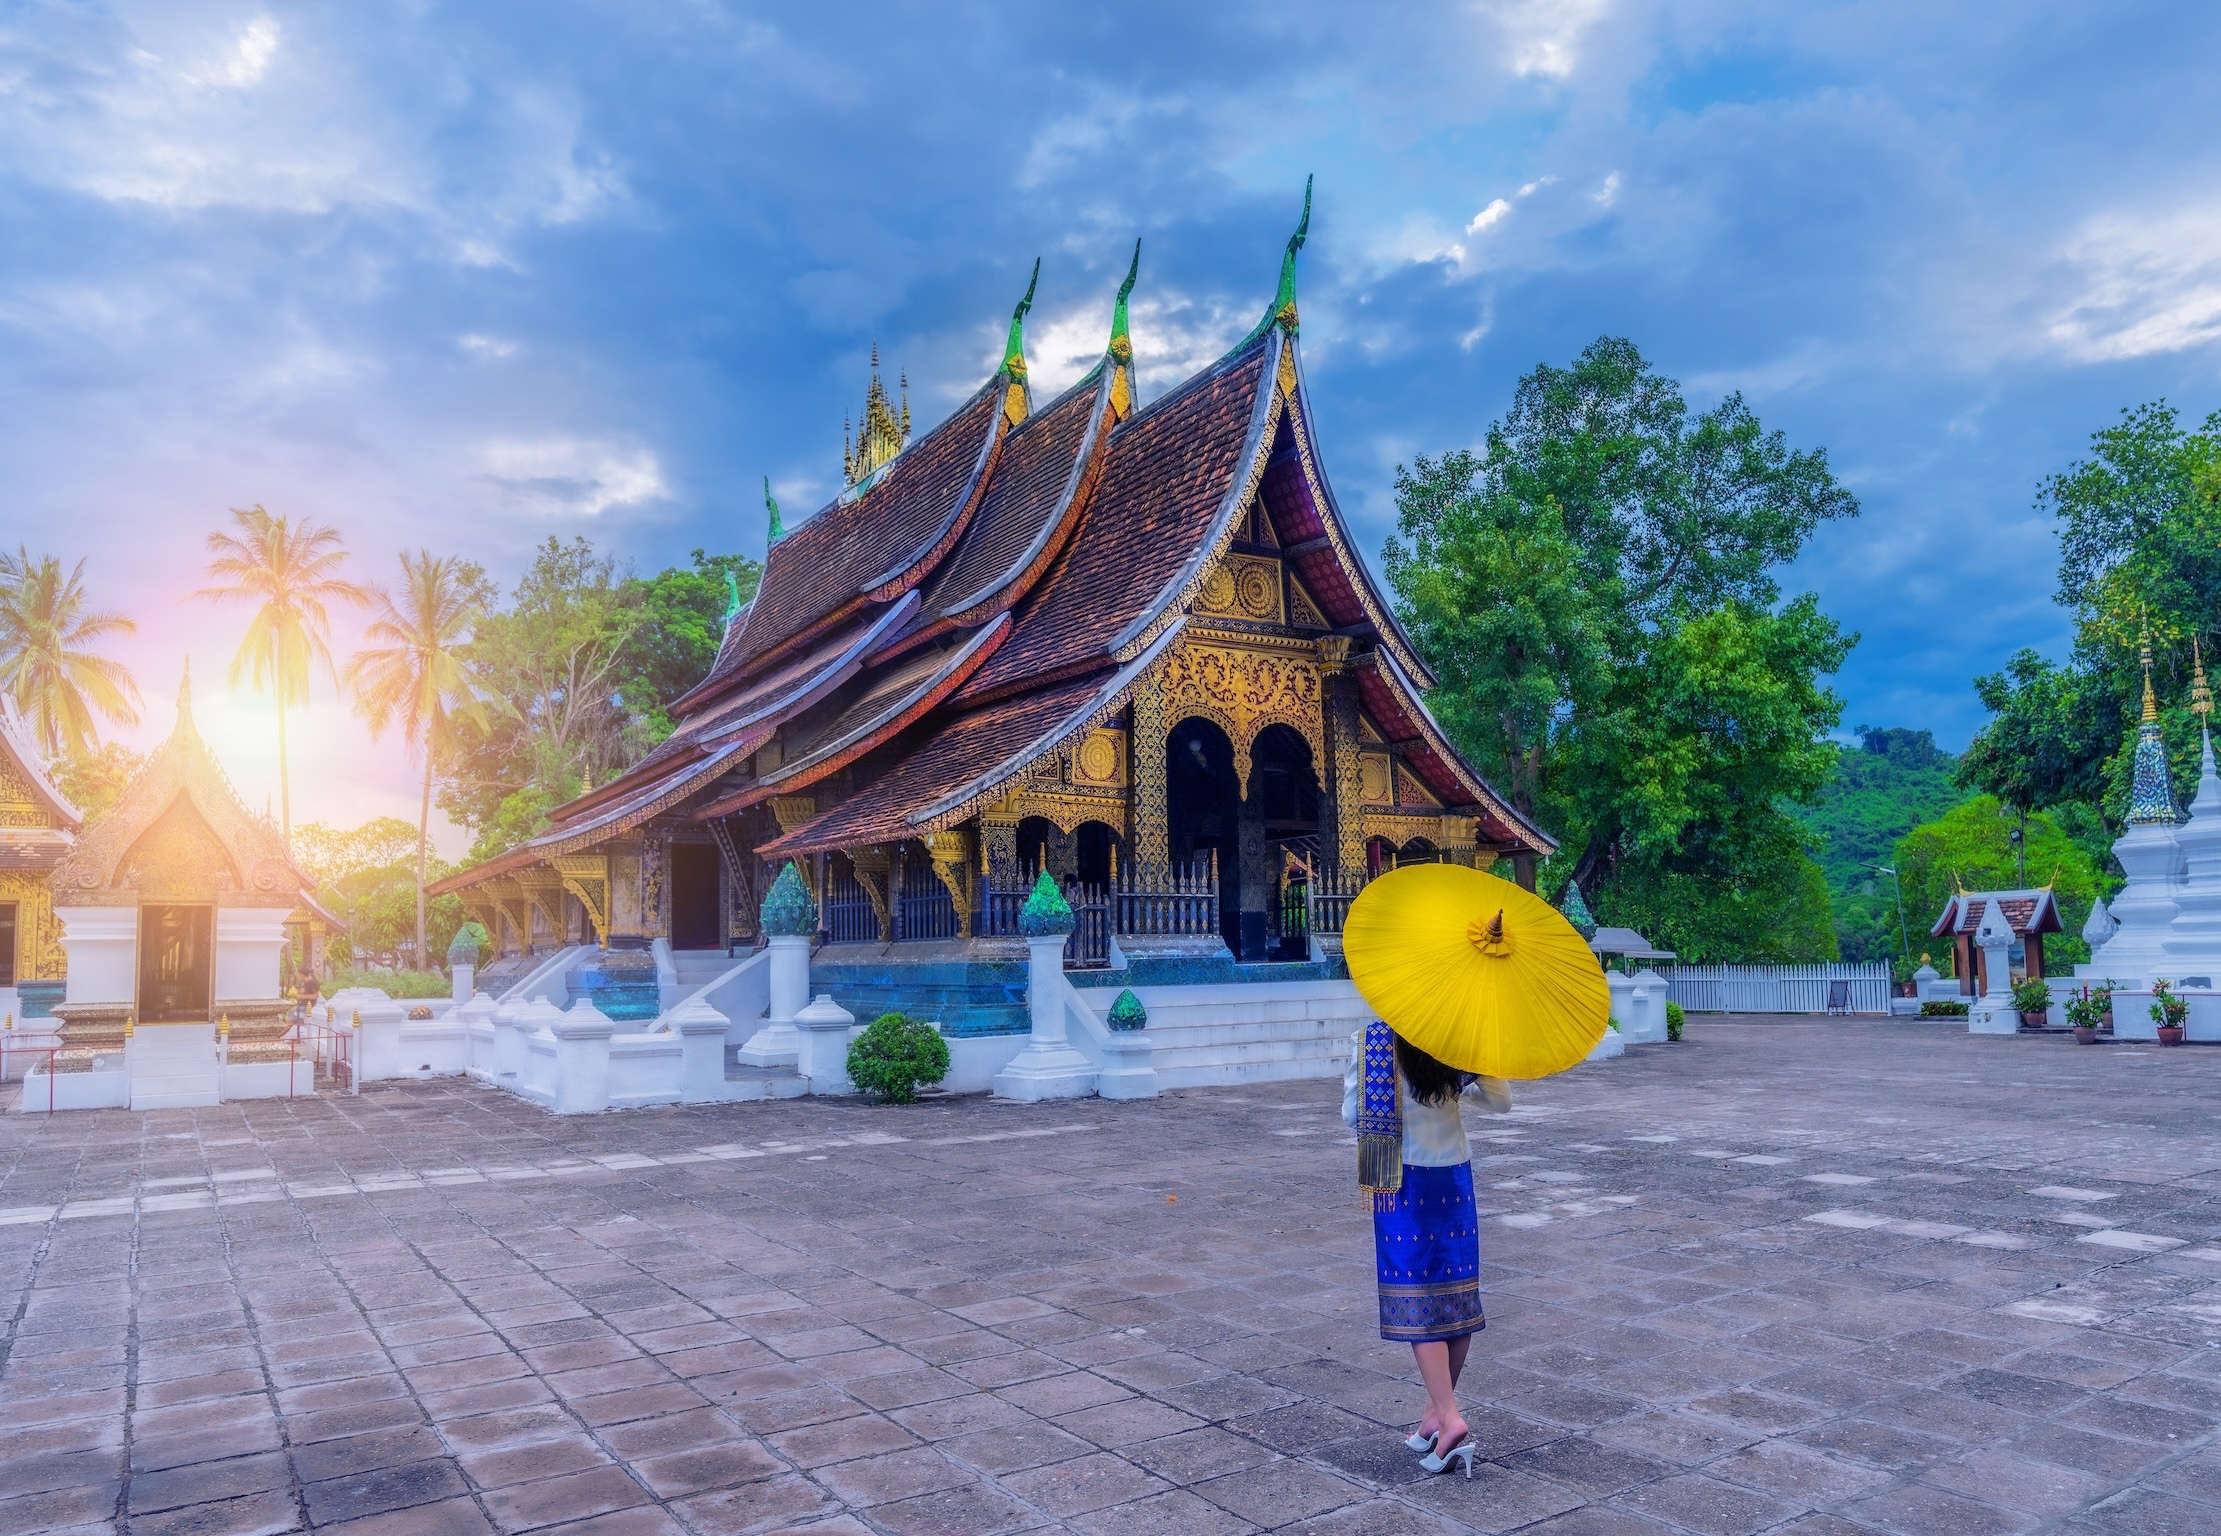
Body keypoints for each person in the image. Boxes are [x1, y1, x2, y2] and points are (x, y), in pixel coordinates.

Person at [1342, 1019, 1510, 1477]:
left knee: (1417, 1302)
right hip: (1453, 1175)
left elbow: (1351, 1115)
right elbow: (1501, 1101)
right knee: (1455, 1294)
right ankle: (1436, 1415)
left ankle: (1451, 1420)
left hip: (1401, 1179)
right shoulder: (1454, 1040)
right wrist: (1465, 1075)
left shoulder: (1371, 1041)